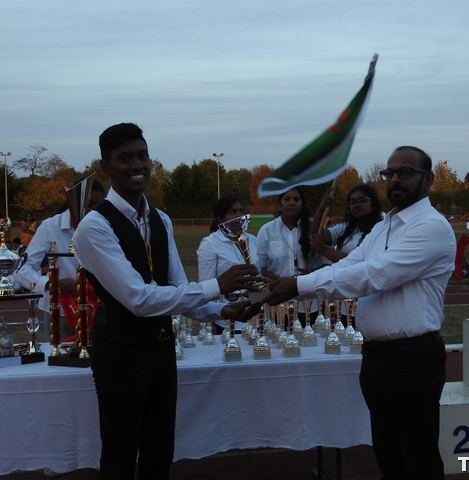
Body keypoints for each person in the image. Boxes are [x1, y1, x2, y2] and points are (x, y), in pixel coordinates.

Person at [73, 122, 260, 480]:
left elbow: (177, 287)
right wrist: (218, 287)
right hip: (121, 354)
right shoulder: (94, 226)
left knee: (160, 454)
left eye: (142, 156)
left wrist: (223, 309)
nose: (137, 165)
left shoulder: (159, 218)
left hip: (161, 350)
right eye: (125, 158)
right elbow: (138, 299)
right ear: (106, 167)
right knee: (120, 457)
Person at [264, 146, 455, 479]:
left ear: (428, 180)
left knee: (418, 459)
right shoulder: (384, 226)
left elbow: (373, 275)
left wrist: (296, 286)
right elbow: (350, 264)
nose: (395, 179)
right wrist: (295, 286)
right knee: (388, 457)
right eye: (390, 173)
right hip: (376, 357)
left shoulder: (431, 227)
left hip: (413, 360)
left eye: (405, 172)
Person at [14, 179, 107, 343]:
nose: (93, 210)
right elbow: (22, 270)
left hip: (100, 309)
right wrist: (52, 284)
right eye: (89, 204)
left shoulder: (106, 226)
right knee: (62, 355)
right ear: (72, 201)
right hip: (60, 311)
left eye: (99, 205)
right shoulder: (50, 227)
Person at [197, 195, 260, 333]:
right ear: (220, 218)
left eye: (240, 211)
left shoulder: (253, 240)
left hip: (257, 316)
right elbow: (207, 285)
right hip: (228, 316)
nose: (238, 215)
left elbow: (258, 278)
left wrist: (259, 301)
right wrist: (213, 318)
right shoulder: (209, 244)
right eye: (233, 212)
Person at [257, 186, 320, 325]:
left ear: (302, 204)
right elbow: (260, 268)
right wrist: (281, 281)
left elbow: (326, 265)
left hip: (308, 303)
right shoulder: (267, 231)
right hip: (278, 303)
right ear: (280, 204)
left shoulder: (313, 228)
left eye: (296, 199)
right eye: (287, 199)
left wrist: (311, 272)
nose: (291, 203)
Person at [310, 184, 383, 264]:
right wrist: (322, 207)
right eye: (352, 202)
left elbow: (360, 262)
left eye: (362, 200)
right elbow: (317, 233)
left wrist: (324, 250)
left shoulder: (381, 230)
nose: (356, 205)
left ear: (373, 205)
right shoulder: (346, 227)